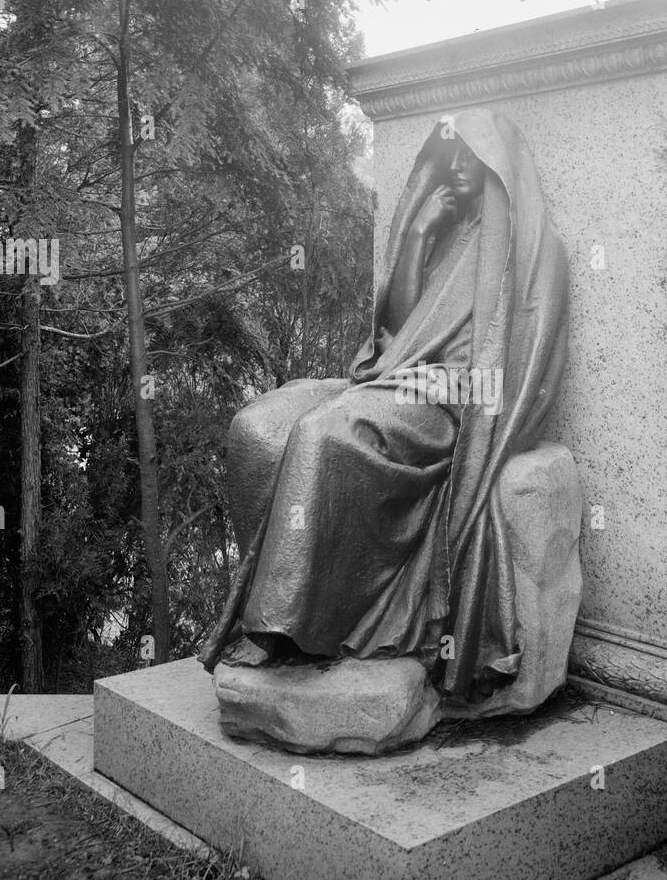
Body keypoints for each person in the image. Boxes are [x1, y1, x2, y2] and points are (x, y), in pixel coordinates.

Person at [200, 107, 569, 706]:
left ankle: (281, 625)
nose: (452, 169)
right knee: (285, 429)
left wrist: (477, 408)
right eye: (444, 156)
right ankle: (306, 620)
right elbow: (398, 332)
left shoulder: (535, 252)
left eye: (465, 157)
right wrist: (420, 236)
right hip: (403, 382)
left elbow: (529, 366)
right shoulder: (447, 237)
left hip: (458, 401)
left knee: (324, 435)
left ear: (496, 166)